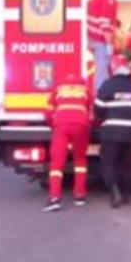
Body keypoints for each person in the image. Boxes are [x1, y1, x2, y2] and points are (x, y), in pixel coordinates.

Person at [95, 55, 131, 208]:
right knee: (128, 163)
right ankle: (127, 194)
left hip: (111, 132)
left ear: (113, 70)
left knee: (108, 163)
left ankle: (114, 191)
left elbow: (99, 109)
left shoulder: (107, 86)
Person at [45, 68, 94, 211]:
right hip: (81, 126)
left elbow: (48, 112)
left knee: (57, 163)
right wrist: (90, 124)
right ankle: (80, 195)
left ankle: (55, 198)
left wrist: (52, 124)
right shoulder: (85, 91)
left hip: (61, 126)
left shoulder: (58, 90)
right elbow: (93, 110)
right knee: (80, 160)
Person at [87, 0, 128, 87]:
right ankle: (100, 99)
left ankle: (101, 97)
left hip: (93, 37)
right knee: (102, 71)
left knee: (101, 70)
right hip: (100, 39)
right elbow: (105, 24)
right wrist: (109, 43)